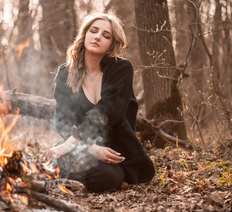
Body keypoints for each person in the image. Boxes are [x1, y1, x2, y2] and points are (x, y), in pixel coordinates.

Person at [46, 13, 155, 193]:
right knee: (56, 165)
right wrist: (91, 147)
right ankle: (68, 177)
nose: (98, 36)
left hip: (113, 148)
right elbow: (62, 119)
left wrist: (72, 144)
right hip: (79, 146)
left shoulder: (121, 68)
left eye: (106, 35)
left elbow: (108, 112)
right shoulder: (65, 73)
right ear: (84, 35)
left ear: (111, 44)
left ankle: (72, 179)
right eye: (93, 31)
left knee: (107, 177)